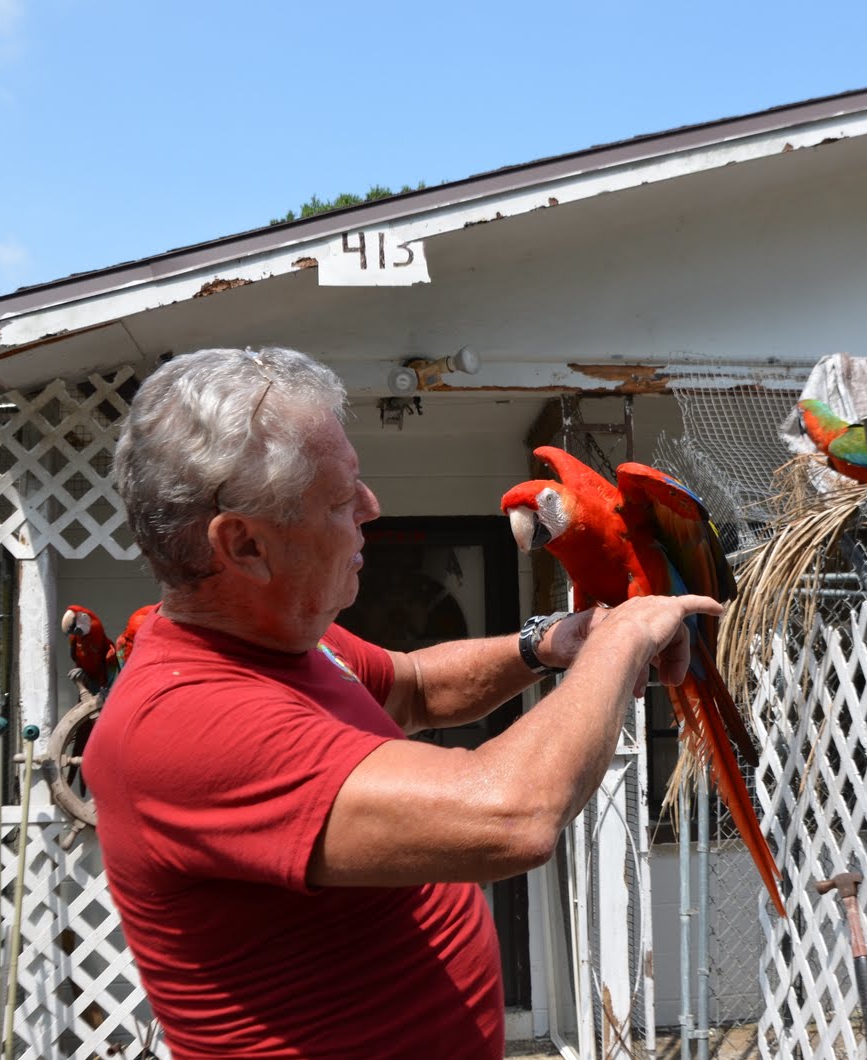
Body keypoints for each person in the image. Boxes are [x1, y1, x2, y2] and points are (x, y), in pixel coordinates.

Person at [83, 346, 721, 1059]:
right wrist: (624, 635)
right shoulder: (185, 724)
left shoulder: (293, 642)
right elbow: (512, 814)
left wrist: (549, 645)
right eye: (339, 498)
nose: (371, 508)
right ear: (244, 545)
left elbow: (414, 685)